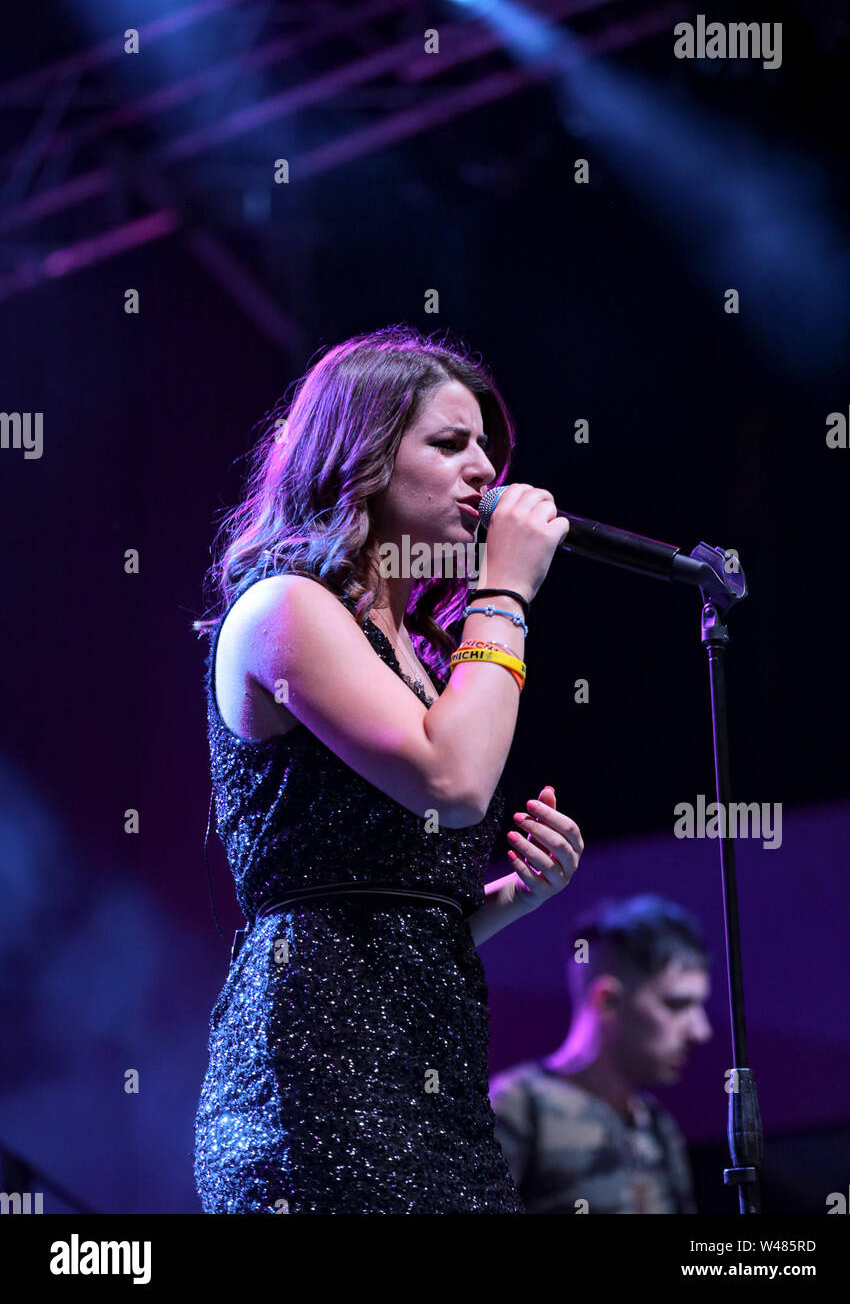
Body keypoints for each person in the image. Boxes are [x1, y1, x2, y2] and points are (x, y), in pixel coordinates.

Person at [191, 324, 585, 1213]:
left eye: (487, 446)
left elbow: (395, 920)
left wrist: (514, 894)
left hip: (434, 1084)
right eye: (449, 443)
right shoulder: (284, 610)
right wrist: (506, 593)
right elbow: (452, 781)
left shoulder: (432, 661)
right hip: (317, 1081)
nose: (484, 470)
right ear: (360, 458)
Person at [489, 894, 712, 1214]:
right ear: (607, 1001)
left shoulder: (661, 1128)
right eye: (677, 1005)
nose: (700, 1031)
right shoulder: (519, 1106)